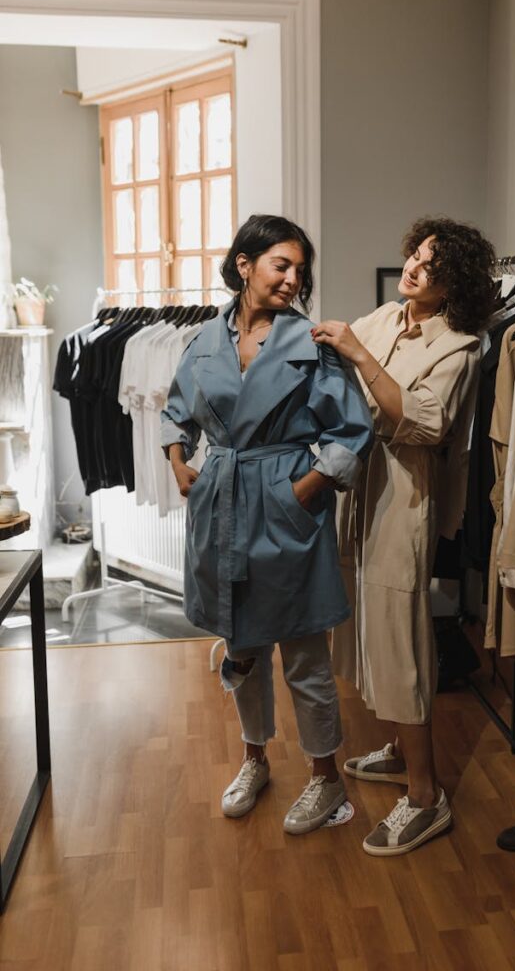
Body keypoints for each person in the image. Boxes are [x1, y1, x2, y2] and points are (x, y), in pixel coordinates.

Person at [161, 214, 373, 835]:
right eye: (282, 265)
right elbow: (176, 412)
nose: (292, 279)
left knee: (304, 652)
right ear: (245, 264)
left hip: (285, 505)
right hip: (222, 503)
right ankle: (254, 760)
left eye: (300, 270)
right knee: (242, 647)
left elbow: (352, 431)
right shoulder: (202, 340)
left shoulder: (312, 344)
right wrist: (179, 463)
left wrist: (303, 490)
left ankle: (326, 779)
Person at [312, 216, 496, 856]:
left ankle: (425, 796)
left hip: (403, 499)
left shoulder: (460, 348)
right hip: (357, 494)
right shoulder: (385, 319)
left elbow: (425, 424)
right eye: (415, 254)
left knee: (400, 640)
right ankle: (398, 747)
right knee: (365, 625)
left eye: (432, 265)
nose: (414, 267)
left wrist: (358, 356)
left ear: (454, 285)